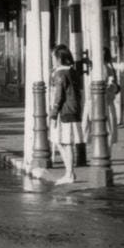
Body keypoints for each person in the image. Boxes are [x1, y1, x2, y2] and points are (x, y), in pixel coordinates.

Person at [49, 45, 83, 184]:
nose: (52, 60)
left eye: (53, 57)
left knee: (64, 143)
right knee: (64, 143)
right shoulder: (72, 72)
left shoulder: (60, 74)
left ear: (58, 58)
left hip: (64, 112)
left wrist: (53, 114)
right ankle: (69, 173)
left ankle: (69, 174)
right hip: (74, 109)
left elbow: (58, 95)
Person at [102, 48, 121, 146]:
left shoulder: (106, 67)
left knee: (108, 126)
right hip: (108, 100)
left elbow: (113, 85)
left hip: (106, 100)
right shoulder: (109, 66)